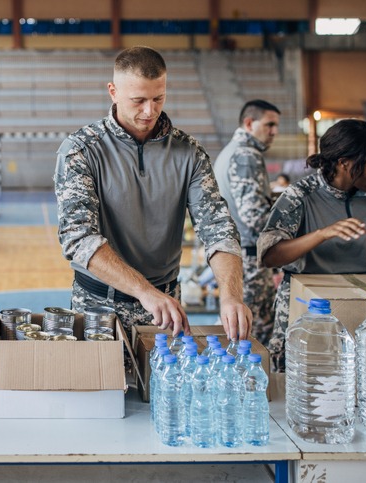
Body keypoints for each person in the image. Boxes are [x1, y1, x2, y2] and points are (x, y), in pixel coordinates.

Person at [54, 46, 252, 339]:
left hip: (167, 305)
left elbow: (218, 228)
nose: (150, 111)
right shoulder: (81, 150)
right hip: (97, 306)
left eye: (158, 98)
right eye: (138, 100)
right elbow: (79, 238)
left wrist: (231, 294)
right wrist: (145, 292)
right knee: (103, 385)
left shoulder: (190, 152)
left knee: (165, 383)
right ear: (113, 91)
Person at [257, 119, 366, 372]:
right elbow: (270, 255)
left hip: (359, 312)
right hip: (306, 313)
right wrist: (322, 234)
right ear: (344, 162)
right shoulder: (300, 196)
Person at [212, 99, 281, 345]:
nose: (274, 131)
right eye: (269, 124)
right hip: (249, 260)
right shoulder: (246, 155)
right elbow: (254, 216)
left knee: (241, 333)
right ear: (250, 123)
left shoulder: (232, 150)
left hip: (240, 256)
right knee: (252, 337)